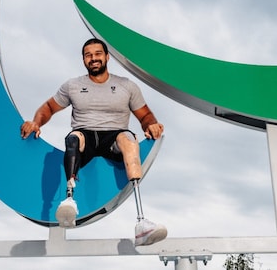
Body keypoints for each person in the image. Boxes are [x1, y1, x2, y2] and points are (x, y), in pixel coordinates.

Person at [20, 38, 167, 247]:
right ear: (83, 60)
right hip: (85, 135)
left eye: (98, 54)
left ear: (107, 57)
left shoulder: (126, 86)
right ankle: (69, 200)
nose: (93, 58)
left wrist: (151, 125)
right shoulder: (72, 86)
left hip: (114, 136)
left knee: (129, 140)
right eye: (88, 55)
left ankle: (142, 222)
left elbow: (145, 116)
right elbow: (48, 108)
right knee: (72, 138)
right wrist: (35, 122)